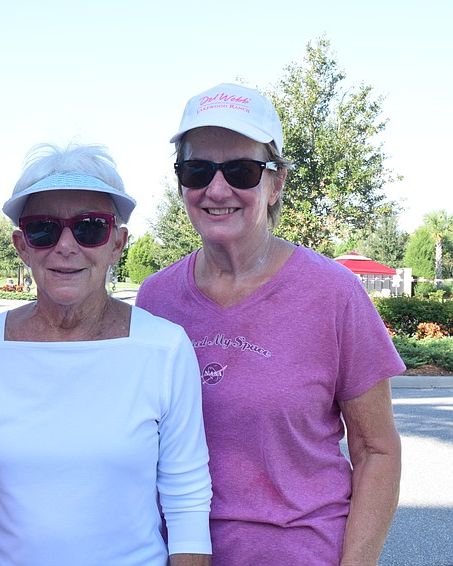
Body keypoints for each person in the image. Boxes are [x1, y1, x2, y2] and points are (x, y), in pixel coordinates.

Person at [136, 83, 404, 565]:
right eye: (197, 170)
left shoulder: (335, 294)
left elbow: (377, 451)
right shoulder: (156, 298)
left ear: (275, 182)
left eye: (241, 170)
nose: (217, 190)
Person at [0, 143, 213, 566]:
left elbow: (187, 498)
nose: (66, 246)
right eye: (44, 229)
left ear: (117, 243)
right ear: (21, 245)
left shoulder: (165, 350)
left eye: (89, 228)